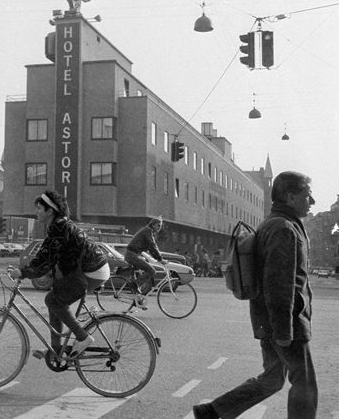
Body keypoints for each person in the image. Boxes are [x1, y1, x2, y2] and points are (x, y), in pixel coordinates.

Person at [193, 171, 318, 419]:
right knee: (305, 385)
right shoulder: (284, 228)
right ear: (290, 197)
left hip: (270, 319)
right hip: (285, 323)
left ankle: (212, 412)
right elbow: (279, 284)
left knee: (272, 379)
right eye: (307, 195)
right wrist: (283, 331)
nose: (311, 201)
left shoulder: (277, 223)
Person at [11, 190, 109, 357]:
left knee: (54, 302)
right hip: (91, 269)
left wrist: (23, 272)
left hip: (92, 271)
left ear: (50, 211)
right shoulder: (59, 225)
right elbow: (48, 255)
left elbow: (45, 259)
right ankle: (56, 349)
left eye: (39, 209)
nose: (36, 212)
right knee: (53, 299)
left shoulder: (59, 228)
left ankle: (83, 337)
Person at [125, 217, 165, 297]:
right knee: (152, 271)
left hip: (133, 255)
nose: (159, 228)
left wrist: (157, 258)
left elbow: (151, 249)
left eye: (160, 226)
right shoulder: (148, 231)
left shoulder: (149, 231)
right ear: (153, 224)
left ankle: (136, 300)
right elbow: (153, 245)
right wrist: (160, 259)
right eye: (158, 225)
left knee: (139, 276)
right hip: (132, 255)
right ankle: (135, 284)